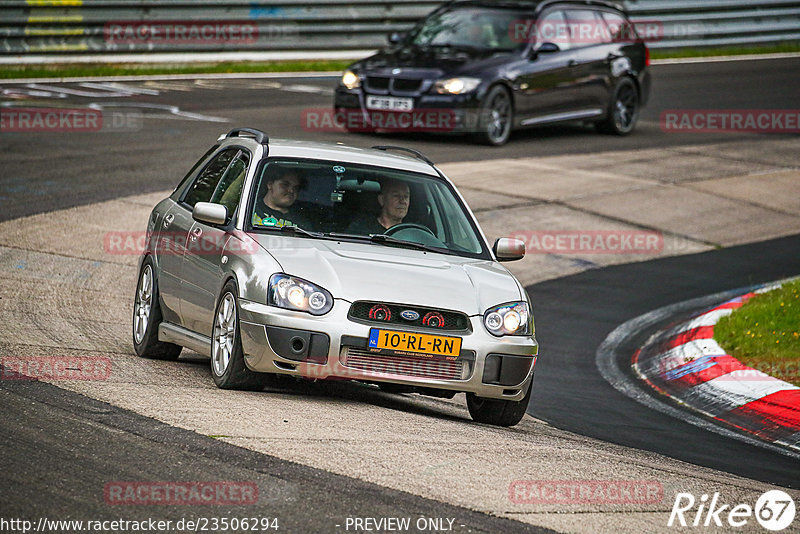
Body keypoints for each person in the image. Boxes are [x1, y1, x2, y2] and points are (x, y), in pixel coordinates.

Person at [346, 179, 410, 235]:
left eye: (406, 196)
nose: (402, 201)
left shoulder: (412, 234)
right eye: (396, 196)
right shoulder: (360, 229)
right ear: (382, 200)